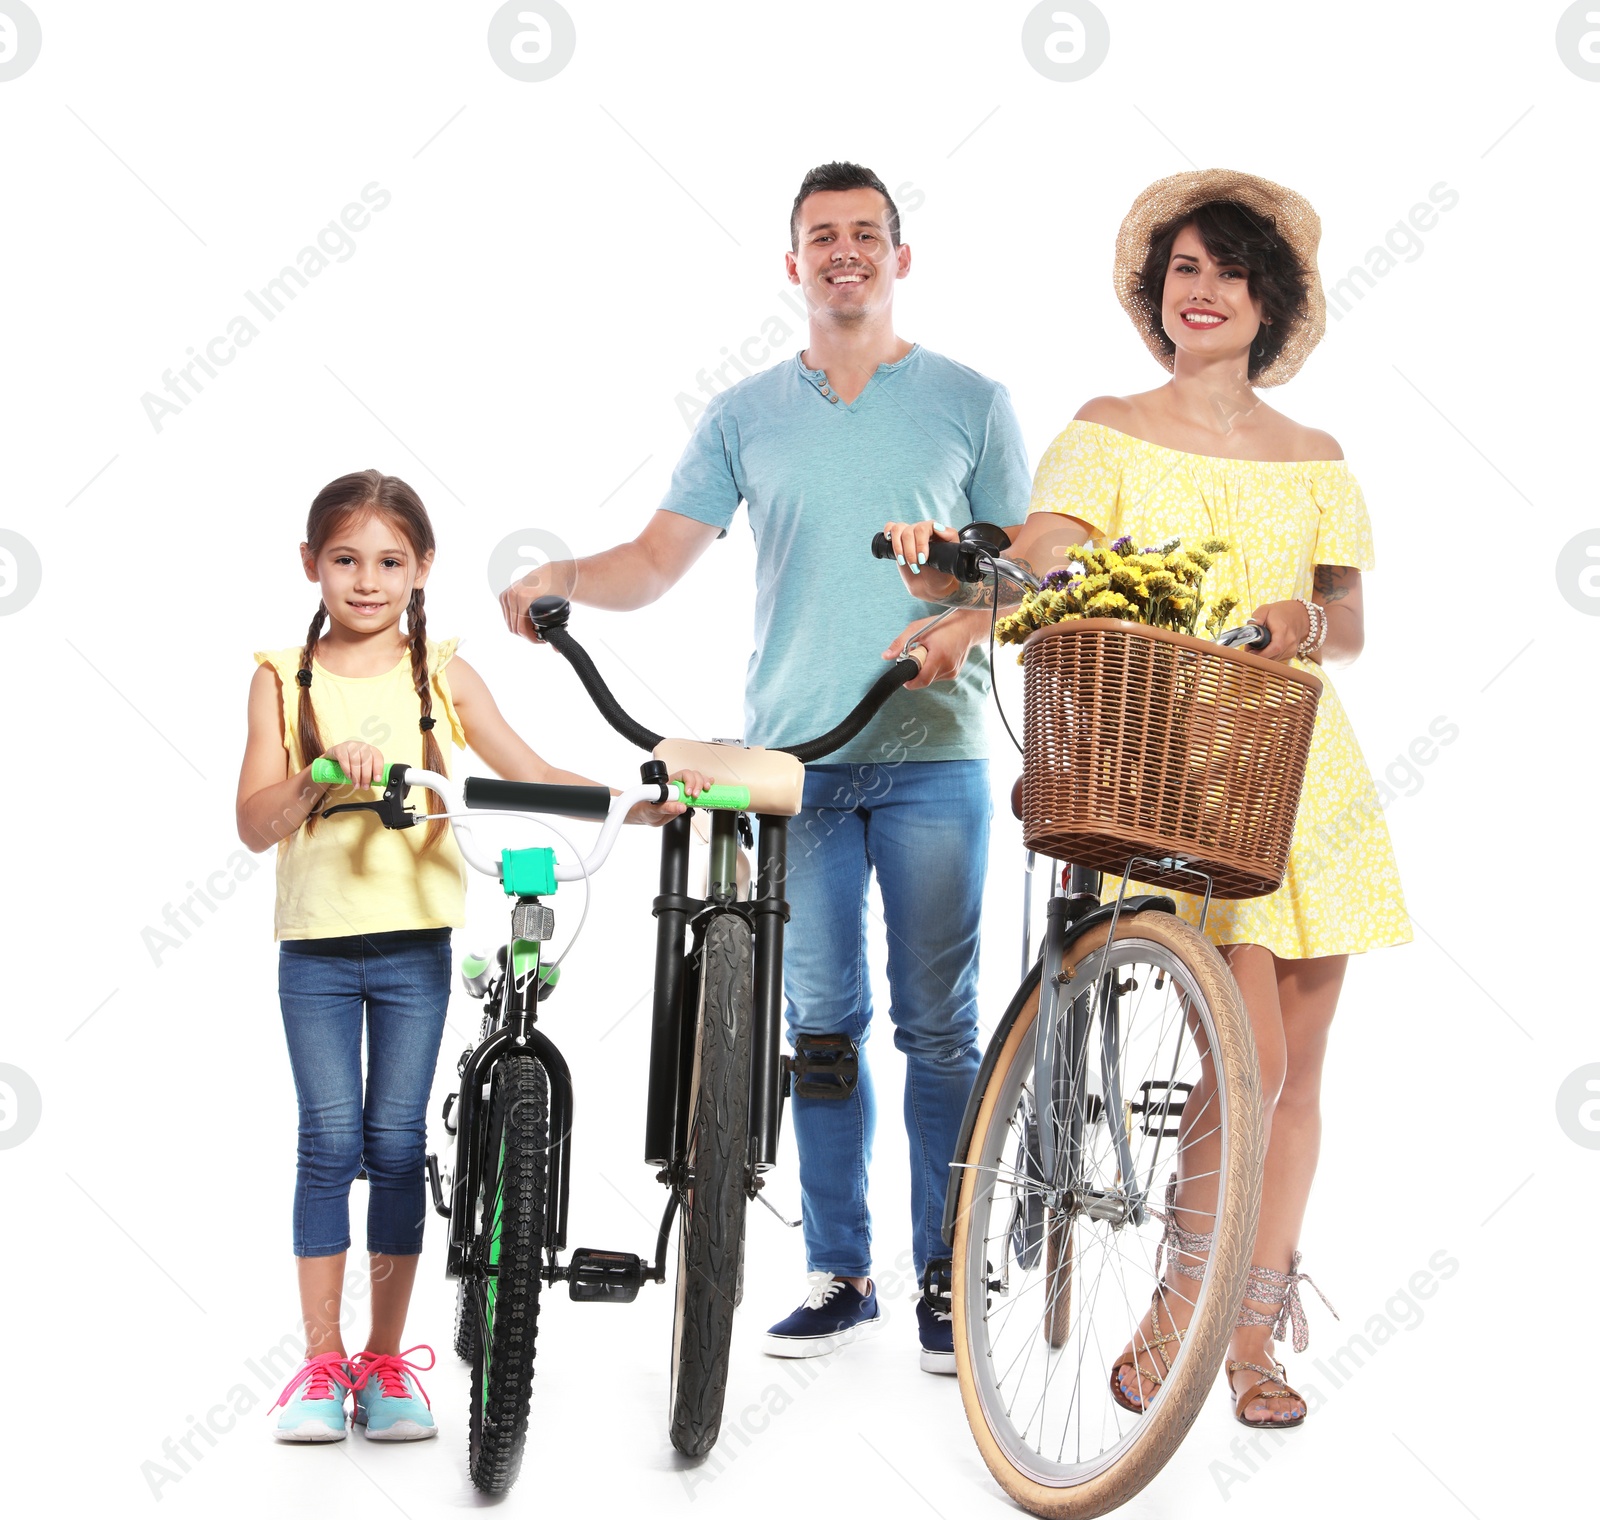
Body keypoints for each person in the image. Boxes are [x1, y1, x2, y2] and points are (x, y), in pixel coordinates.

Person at [883, 170, 1409, 1425]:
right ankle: (1182, 1306)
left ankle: (1252, 1334)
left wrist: (1299, 616)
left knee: (1300, 1075)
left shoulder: (1317, 457)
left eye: (1230, 269)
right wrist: (959, 601)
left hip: (1301, 771)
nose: (1205, 289)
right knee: (1250, 1061)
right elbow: (1045, 556)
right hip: (1168, 767)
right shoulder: (1108, 425)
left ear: (1267, 299)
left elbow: (1347, 621)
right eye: (1183, 269)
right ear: (1154, 295)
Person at [499, 161, 1031, 1374]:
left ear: (902, 256)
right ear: (792, 266)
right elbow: (650, 558)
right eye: (820, 237)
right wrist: (558, 580)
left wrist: (957, 610)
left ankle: (947, 1280)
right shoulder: (745, 413)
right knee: (821, 1027)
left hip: (931, 752)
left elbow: (1018, 575)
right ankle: (839, 1272)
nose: (844, 252)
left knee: (938, 1032)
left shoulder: (972, 401)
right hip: (795, 764)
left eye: (865, 234)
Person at [237, 469, 701, 1444]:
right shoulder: (282, 676)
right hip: (315, 954)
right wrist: (321, 779)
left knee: (398, 1146)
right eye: (346, 560)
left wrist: (628, 800)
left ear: (423, 569)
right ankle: (323, 1365)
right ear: (310, 565)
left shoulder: (438, 673)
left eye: (390, 562)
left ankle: (386, 1364)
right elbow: (251, 822)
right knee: (329, 1144)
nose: (367, 581)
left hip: (413, 949)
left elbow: (526, 770)